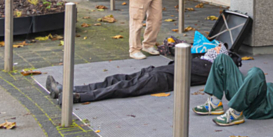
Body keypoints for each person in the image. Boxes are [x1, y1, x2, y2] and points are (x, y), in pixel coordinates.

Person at [45, 33, 239, 105]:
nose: (213, 46)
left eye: (216, 48)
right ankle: (69, 89)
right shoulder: (204, 58)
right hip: (158, 71)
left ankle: (77, 97)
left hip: (163, 80)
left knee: (121, 87)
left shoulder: (213, 68)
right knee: (116, 79)